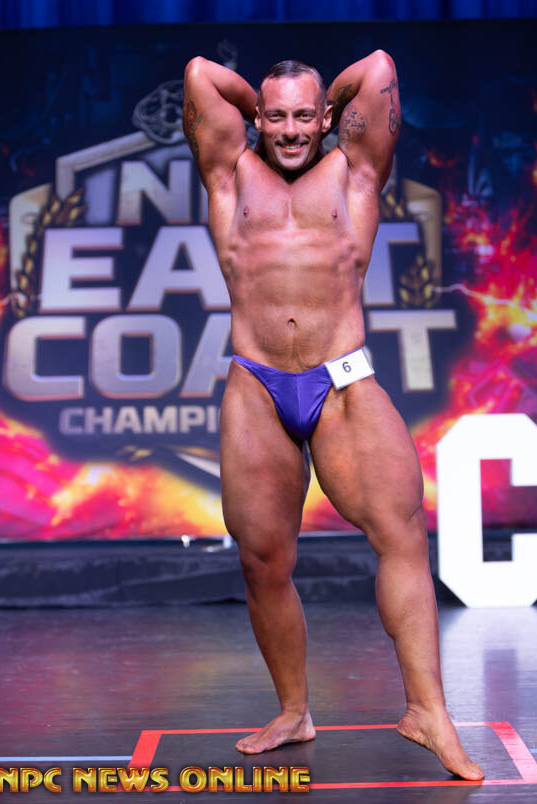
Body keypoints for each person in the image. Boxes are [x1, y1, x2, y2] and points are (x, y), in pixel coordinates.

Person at [182, 51, 484, 781]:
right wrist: (259, 105)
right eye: (276, 117)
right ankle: (293, 711)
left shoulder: (355, 171)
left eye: (304, 116)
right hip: (257, 384)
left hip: (343, 380)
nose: (290, 131)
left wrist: (316, 106)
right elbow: (197, 74)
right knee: (262, 560)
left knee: (401, 534)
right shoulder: (229, 172)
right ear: (258, 119)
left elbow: (378, 67)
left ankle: (427, 711)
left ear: (326, 117)